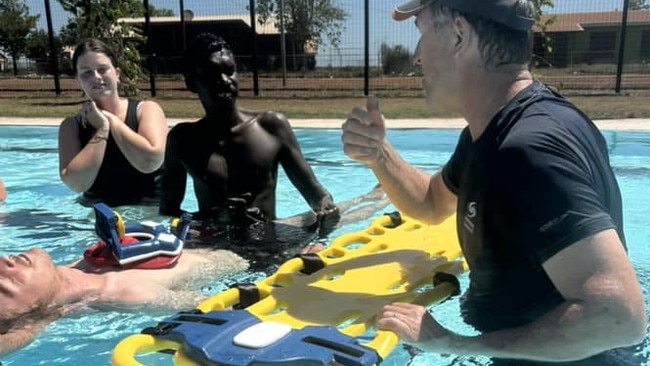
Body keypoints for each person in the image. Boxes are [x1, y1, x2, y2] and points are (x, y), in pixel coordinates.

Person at [342, 1, 647, 365]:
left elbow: (619, 318)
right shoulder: (491, 134)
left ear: (459, 35)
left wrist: (453, 345)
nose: (418, 56)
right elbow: (430, 203)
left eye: (422, 33)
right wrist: (379, 155)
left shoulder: (528, 150)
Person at [159, 32, 340, 236]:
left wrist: (327, 207)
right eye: (211, 73)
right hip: (213, 248)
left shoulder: (271, 127)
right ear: (191, 83)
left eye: (230, 71)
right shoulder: (183, 140)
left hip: (270, 243)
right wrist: (213, 219)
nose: (225, 80)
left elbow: (315, 193)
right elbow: (168, 212)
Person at [0, 246, 249, 358]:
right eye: (5, 284)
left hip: (208, 236)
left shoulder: (77, 268)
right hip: (254, 256)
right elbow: (219, 309)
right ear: (33, 314)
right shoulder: (126, 294)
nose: (4, 262)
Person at [58, 38, 168, 207]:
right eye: (86, 72)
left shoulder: (146, 110)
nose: (96, 77)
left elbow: (150, 162)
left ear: (117, 73)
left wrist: (110, 120)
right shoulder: (71, 126)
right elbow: (76, 184)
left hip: (150, 214)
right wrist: (102, 130)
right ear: (78, 80)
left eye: (102, 69)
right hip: (98, 217)